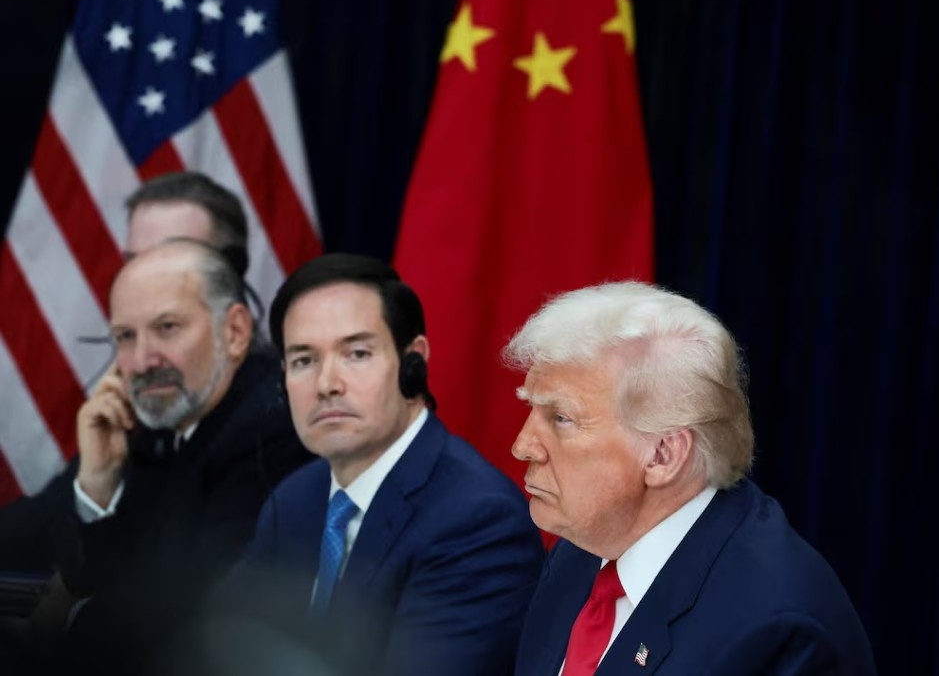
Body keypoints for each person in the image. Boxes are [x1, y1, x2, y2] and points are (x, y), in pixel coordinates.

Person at [506, 282, 877, 675]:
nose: (523, 446)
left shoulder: (777, 634)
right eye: (531, 409)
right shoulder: (582, 547)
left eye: (561, 419)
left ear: (664, 455)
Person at [225, 253, 545, 676]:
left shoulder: (478, 520)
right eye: (304, 360)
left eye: (356, 353)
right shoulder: (295, 499)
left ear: (413, 363)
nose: (326, 385)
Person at [10, 240, 310, 674]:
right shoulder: (154, 424)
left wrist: (70, 618)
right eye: (125, 337)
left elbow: (188, 620)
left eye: (167, 328)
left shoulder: (273, 432)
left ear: (235, 332)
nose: (143, 360)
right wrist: (98, 485)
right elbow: (98, 572)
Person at [0, 171, 255, 575]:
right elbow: (40, 528)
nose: (144, 279)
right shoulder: (145, 397)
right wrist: (95, 492)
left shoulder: (269, 416)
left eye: (169, 255)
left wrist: (74, 609)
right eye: (134, 262)